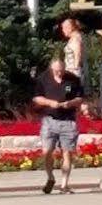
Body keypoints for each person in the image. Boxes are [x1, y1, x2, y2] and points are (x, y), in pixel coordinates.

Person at [32, 53, 84, 194]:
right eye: (56, 71)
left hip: (68, 121)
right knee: (47, 151)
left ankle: (64, 185)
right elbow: (36, 98)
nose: (59, 73)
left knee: (67, 153)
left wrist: (70, 103)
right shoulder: (43, 79)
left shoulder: (73, 80)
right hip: (50, 120)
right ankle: (50, 177)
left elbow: (80, 98)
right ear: (51, 69)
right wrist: (50, 103)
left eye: (61, 70)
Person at [59, 16, 86, 116]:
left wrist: (73, 71)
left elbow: (77, 55)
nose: (62, 31)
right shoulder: (75, 38)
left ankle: (87, 113)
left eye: (63, 28)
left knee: (69, 95)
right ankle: (84, 115)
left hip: (73, 73)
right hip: (71, 72)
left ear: (70, 28)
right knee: (72, 96)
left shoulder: (76, 39)